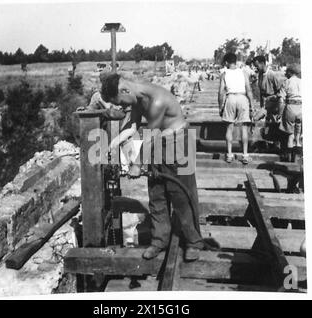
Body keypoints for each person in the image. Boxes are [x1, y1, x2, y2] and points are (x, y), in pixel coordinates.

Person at [101, 73, 205, 262]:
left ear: (125, 90)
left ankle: (194, 242)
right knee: (157, 195)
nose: (123, 107)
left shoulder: (156, 100)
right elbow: (133, 126)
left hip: (179, 142)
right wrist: (114, 143)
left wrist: (137, 165)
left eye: (122, 103)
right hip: (158, 144)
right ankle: (159, 240)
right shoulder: (137, 97)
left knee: (182, 196)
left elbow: (151, 135)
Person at [218, 53, 255, 164]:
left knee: (229, 128)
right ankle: (245, 155)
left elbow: (220, 93)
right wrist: (252, 105)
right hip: (242, 98)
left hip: (231, 98)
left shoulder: (224, 74)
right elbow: (249, 90)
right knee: (244, 128)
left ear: (226, 63)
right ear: (236, 61)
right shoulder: (243, 73)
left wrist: (220, 106)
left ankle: (229, 154)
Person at [252, 56, 285, 153]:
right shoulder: (260, 75)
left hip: (273, 103)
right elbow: (262, 92)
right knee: (259, 120)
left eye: (256, 65)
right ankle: (263, 143)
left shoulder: (272, 75)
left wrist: (279, 108)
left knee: (272, 123)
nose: (255, 68)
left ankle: (276, 145)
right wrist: (262, 105)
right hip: (265, 103)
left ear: (262, 63)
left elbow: (280, 91)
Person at [277, 64, 302, 162]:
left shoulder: (287, 82)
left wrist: (279, 113)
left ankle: (289, 158)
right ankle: (296, 158)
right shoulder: (303, 82)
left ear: (291, 72)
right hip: (302, 108)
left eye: (287, 71)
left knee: (290, 134)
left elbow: (281, 100)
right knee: (298, 134)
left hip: (291, 107)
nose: (285, 73)